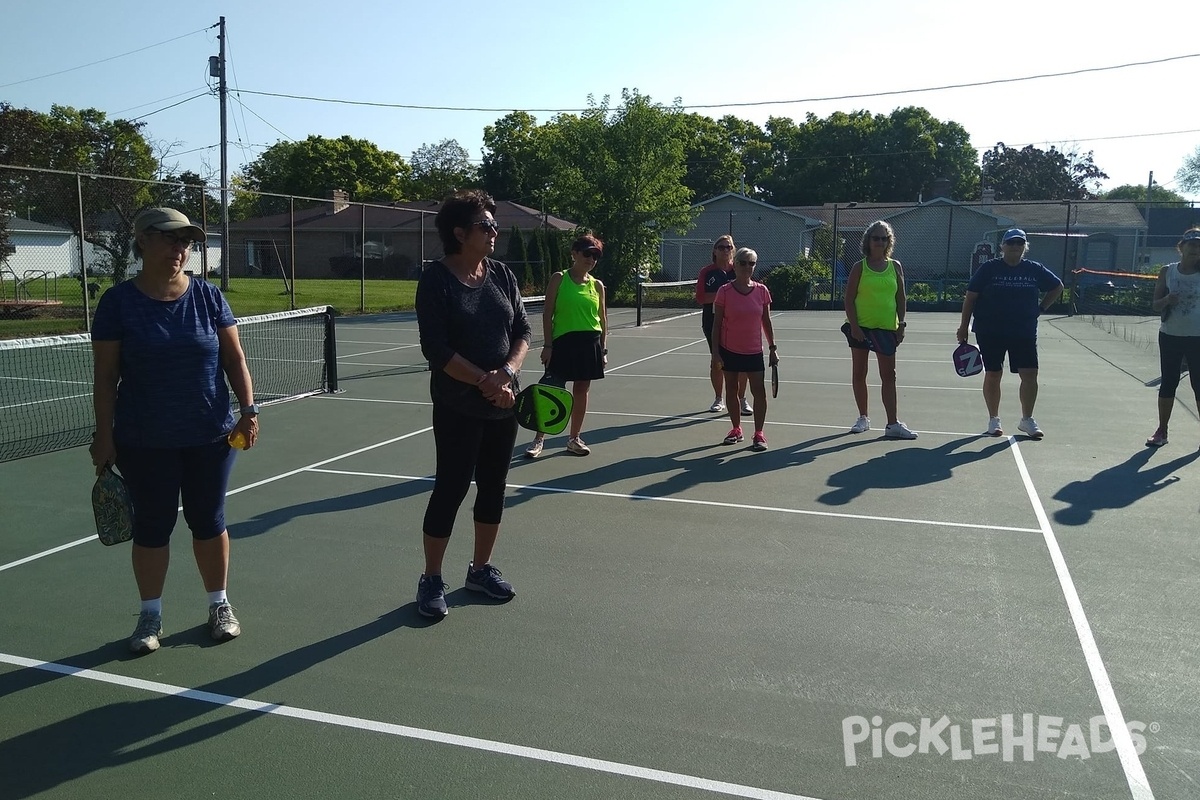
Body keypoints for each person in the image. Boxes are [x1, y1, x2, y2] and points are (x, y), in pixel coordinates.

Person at [90, 207, 257, 655]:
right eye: (169, 238)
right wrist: (103, 436)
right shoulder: (118, 302)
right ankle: (150, 614)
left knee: (209, 522)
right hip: (144, 441)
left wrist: (249, 409)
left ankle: (219, 605)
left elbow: (234, 359)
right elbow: (105, 376)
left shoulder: (207, 296)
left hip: (211, 437)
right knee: (152, 527)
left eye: (186, 241)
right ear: (142, 240)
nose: (180, 248)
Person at [414, 190, 530, 619]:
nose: (494, 231)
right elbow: (436, 349)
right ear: (460, 233)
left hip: (504, 404)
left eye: (494, 224)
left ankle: (479, 570)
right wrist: (486, 382)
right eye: (486, 225)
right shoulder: (436, 280)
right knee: (451, 488)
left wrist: (509, 375)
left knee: (494, 488)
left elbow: (522, 331)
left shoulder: (501, 274)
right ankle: (431, 578)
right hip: (458, 407)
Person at [956, 228, 1063, 438]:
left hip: (1023, 331)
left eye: (1019, 243)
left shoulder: (1034, 269)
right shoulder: (989, 269)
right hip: (990, 330)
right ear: (1002, 246)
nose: (1015, 246)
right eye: (1011, 243)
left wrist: (1041, 308)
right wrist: (963, 327)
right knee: (993, 373)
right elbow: (970, 297)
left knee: (1030, 374)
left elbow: (1057, 286)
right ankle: (993, 419)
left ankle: (1027, 420)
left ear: (1025, 247)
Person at [525, 234, 608, 458]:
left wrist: (603, 349)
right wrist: (548, 345)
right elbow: (547, 313)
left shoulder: (597, 285)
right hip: (562, 344)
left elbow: (602, 319)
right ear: (575, 253)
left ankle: (574, 439)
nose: (591, 259)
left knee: (582, 390)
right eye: (587, 253)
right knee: (552, 391)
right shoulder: (559, 279)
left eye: (596, 255)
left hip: (590, 344)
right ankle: (538, 439)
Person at [843, 221, 918, 439]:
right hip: (861, 328)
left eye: (884, 238)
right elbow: (848, 299)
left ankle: (892, 424)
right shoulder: (860, 267)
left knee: (889, 375)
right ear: (868, 241)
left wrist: (901, 324)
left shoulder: (896, 266)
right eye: (876, 238)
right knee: (859, 373)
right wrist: (855, 327)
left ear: (889, 241)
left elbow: (900, 297)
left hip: (887, 328)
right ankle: (863, 417)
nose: (880, 242)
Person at [711, 247, 778, 451]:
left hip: (754, 351)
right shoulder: (724, 291)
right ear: (735, 264)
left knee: (759, 391)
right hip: (729, 349)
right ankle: (736, 429)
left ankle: (759, 434)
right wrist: (715, 352)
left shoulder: (761, 291)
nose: (747, 267)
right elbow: (717, 324)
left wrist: (773, 348)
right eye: (743, 263)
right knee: (731, 390)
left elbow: (766, 321)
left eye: (752, 263)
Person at [1145, 228, 1200, 447]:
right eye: (1192, 245)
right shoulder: (1167, 272)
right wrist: (1167, 299)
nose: (1196, 250)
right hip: (1170, 336)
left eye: (1199, 246)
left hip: (1198, 338)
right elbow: (1155, 304)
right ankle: (1162, 431)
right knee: (1169, 383)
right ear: (1181, 248)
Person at [695, 235, 749, 415]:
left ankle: (741, 399)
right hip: (712, 322)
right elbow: (701, 298)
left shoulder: (740, 268)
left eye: (729, 247)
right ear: (715, 251)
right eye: (722, 247)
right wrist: (725, 294)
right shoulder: (706, 272)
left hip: (738, 323)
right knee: (717, 361)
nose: (725, 250)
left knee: (741, 363)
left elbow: (747, 290)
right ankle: (719, 398)